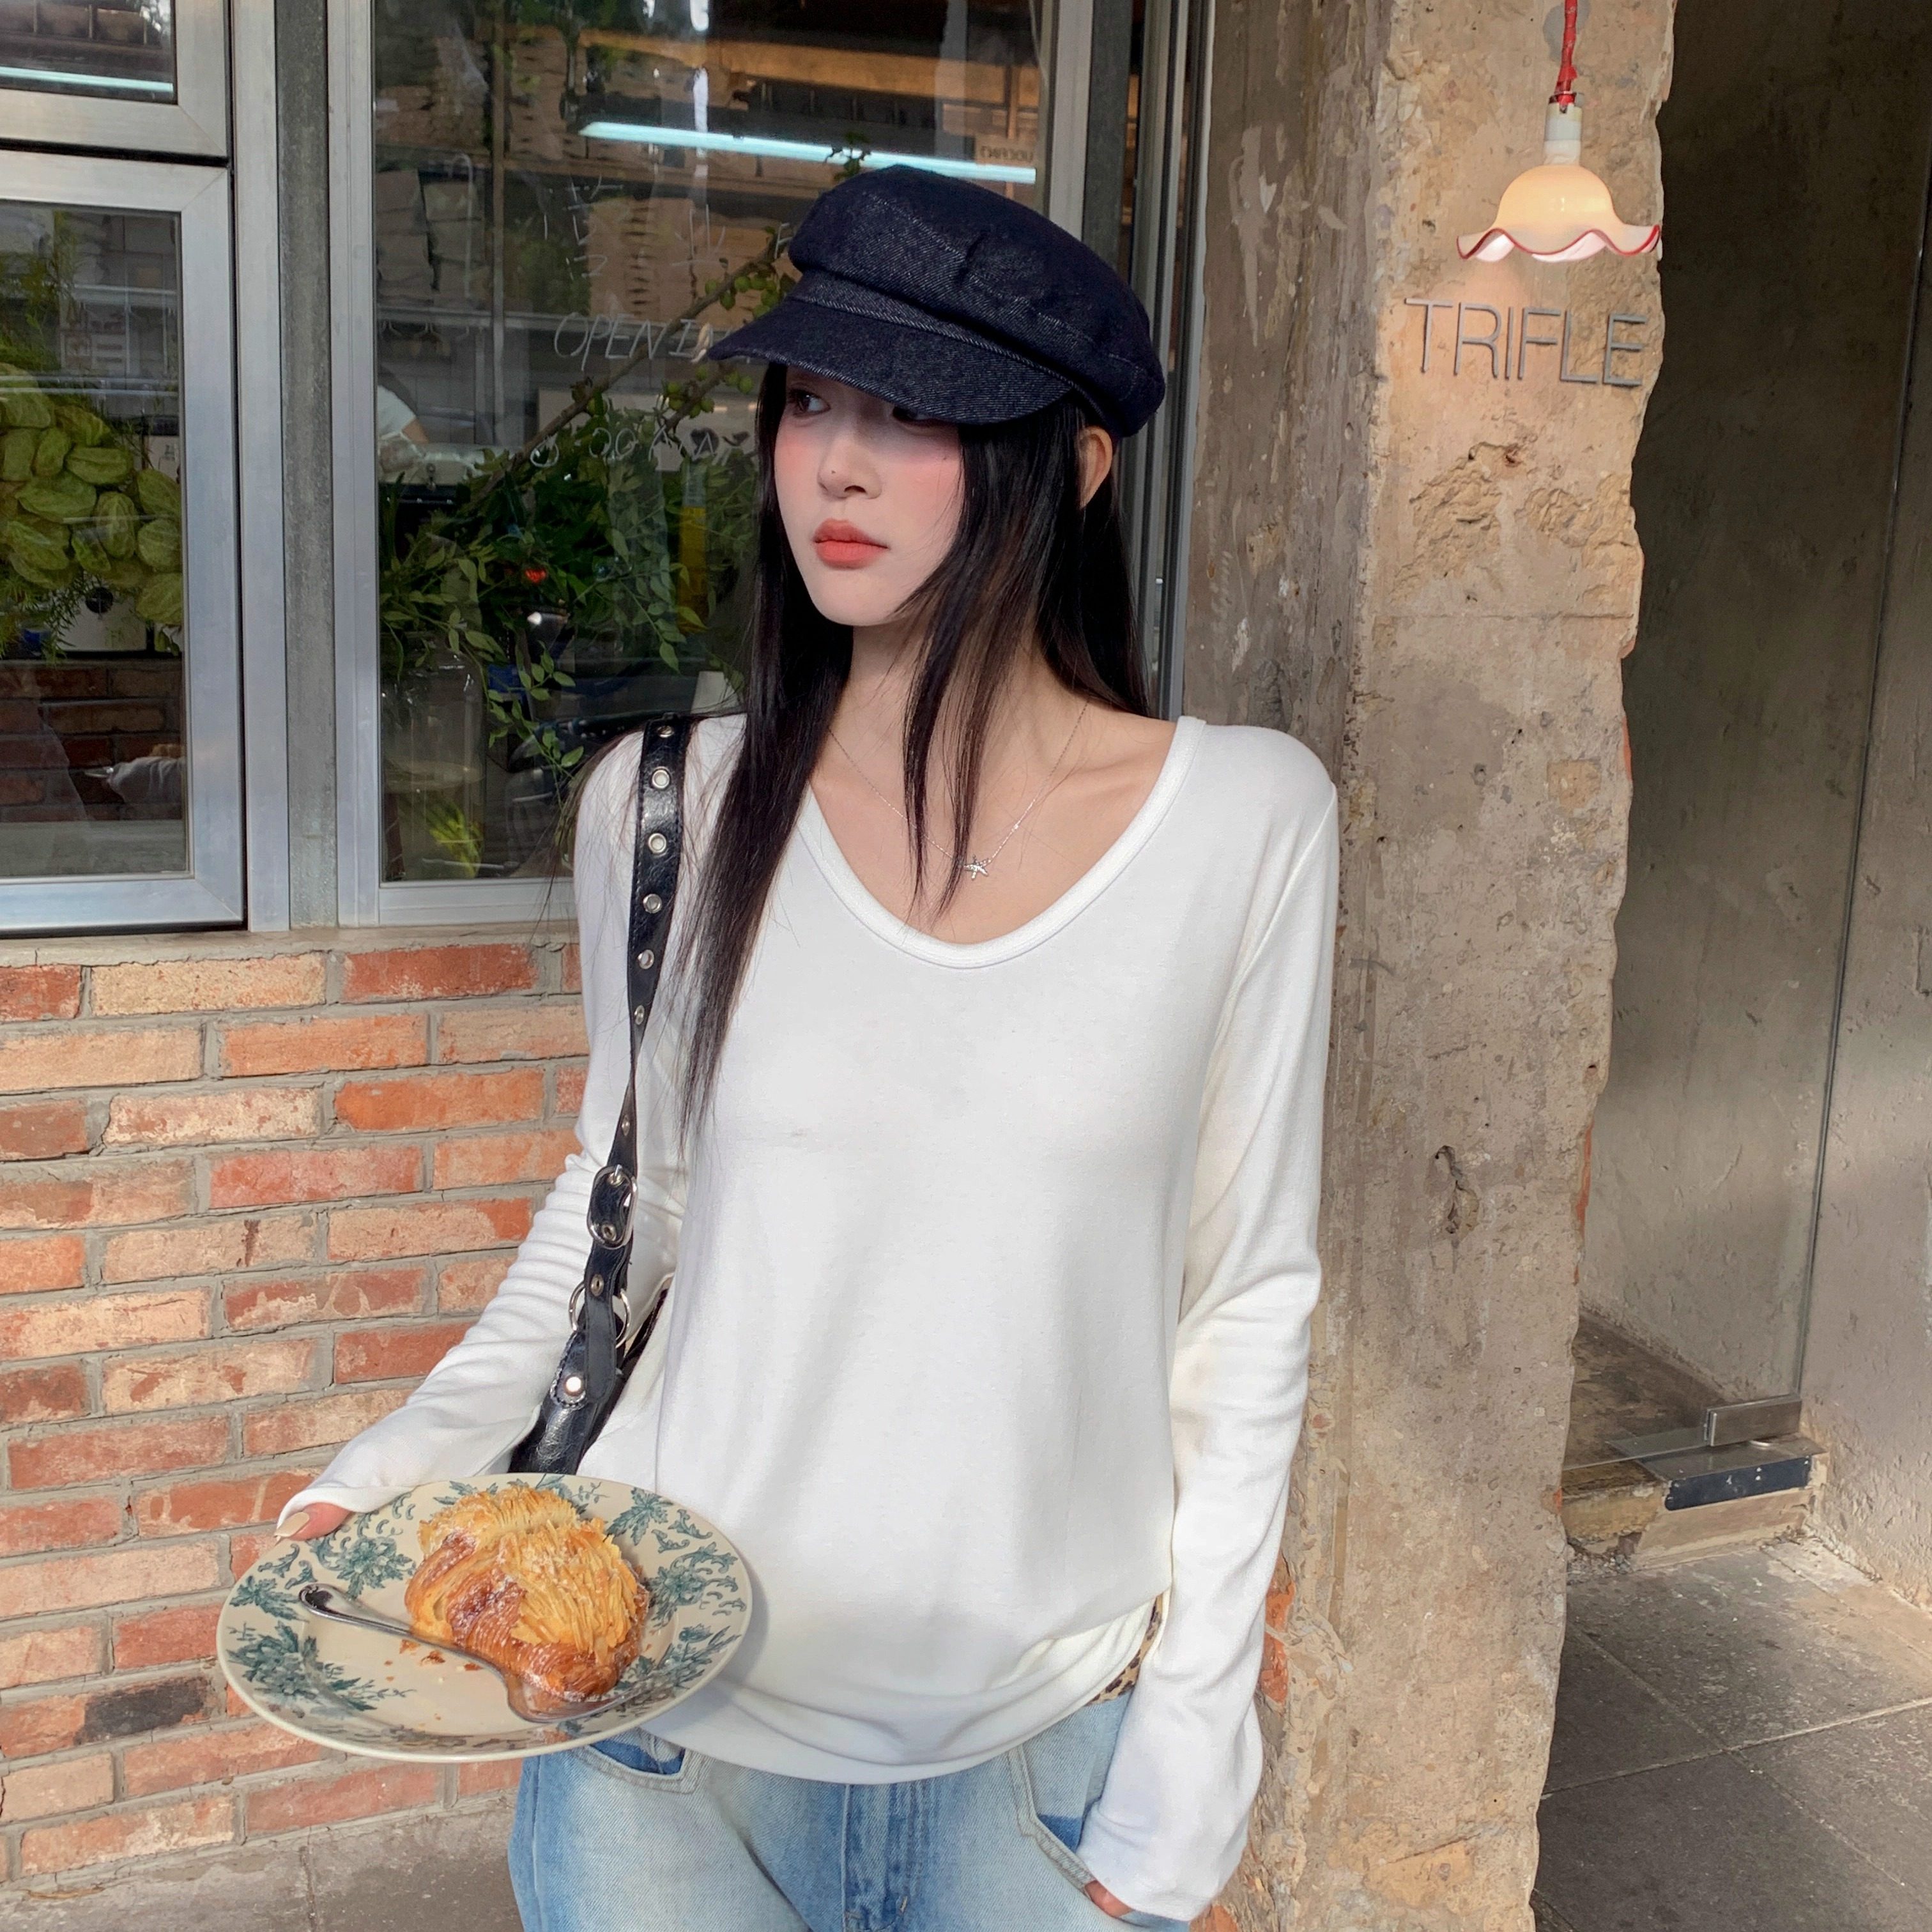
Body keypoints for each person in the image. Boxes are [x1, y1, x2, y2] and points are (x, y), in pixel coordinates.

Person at [276, 166, 1340, 1929]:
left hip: (1040, 1759)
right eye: (811, 401)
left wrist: (1190, 1749)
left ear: (1074, 466)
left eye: (914, 413)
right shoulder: (673, 808)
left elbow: (1247, 1307)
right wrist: (411, 1457)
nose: (835, 464)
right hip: (659, 1748)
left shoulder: (1245, 822)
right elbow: (624, 1208)